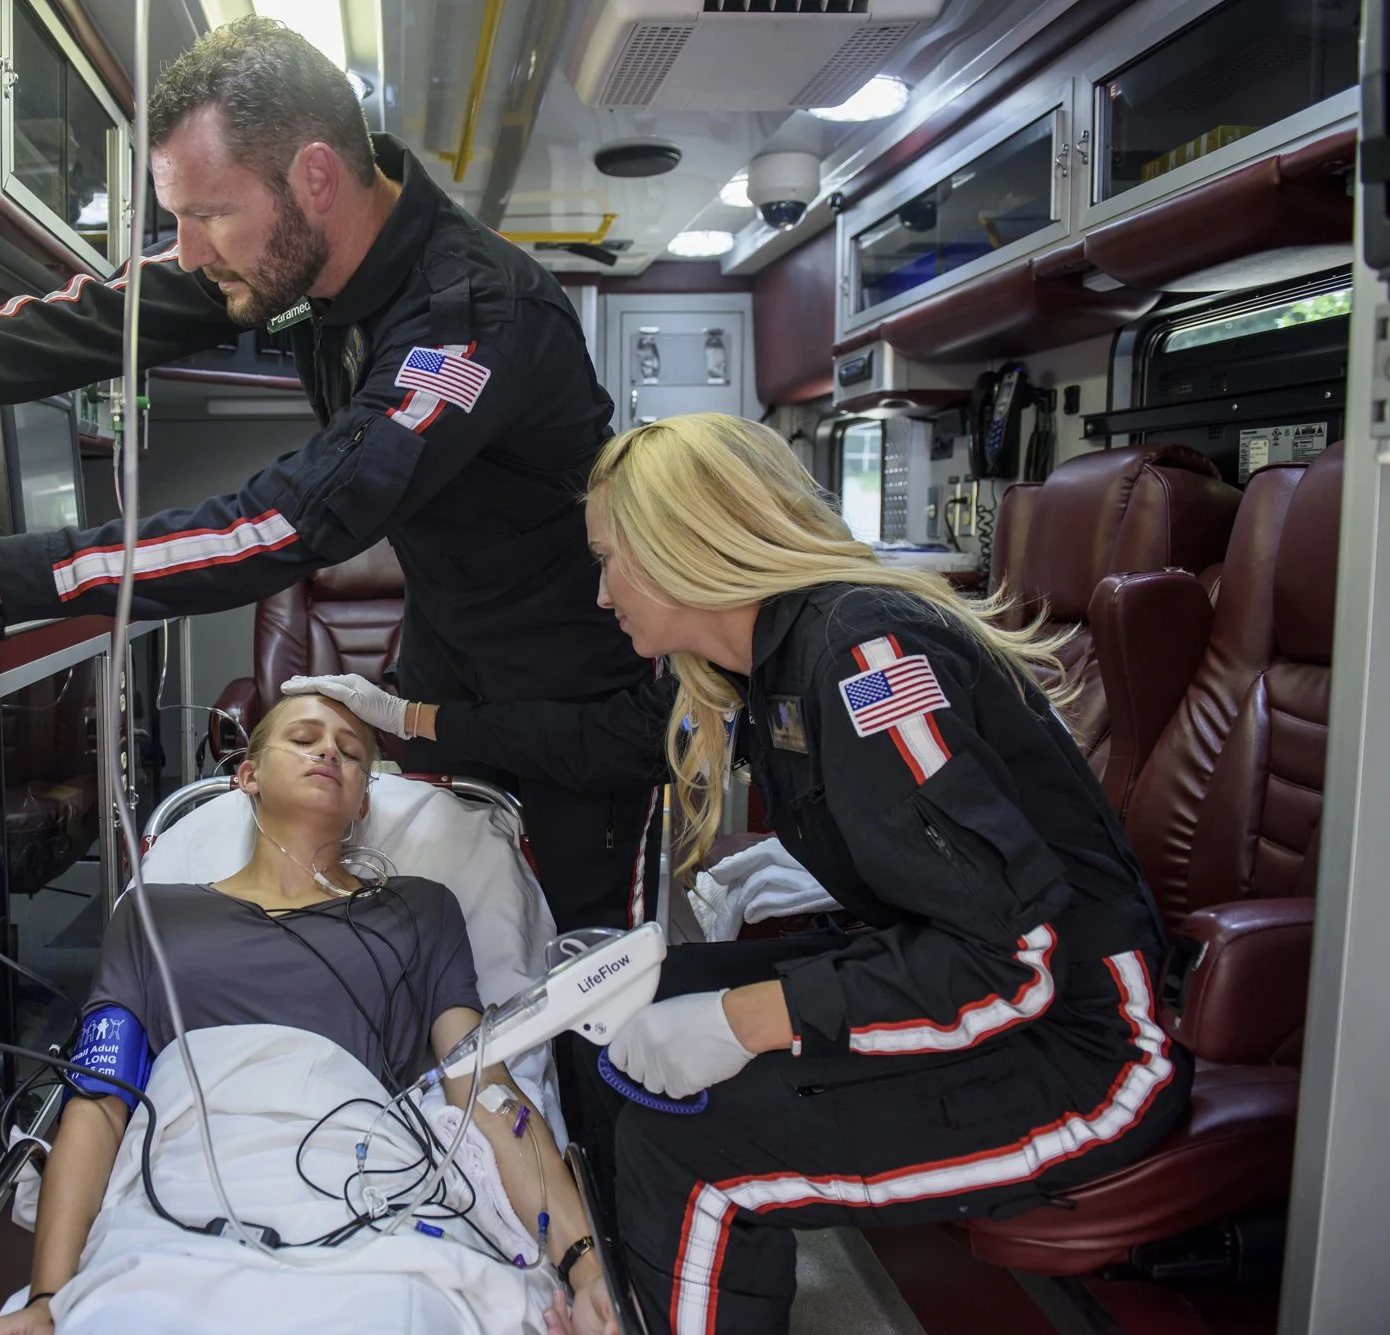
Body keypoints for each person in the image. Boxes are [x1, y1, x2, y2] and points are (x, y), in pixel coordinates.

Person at [0, 16, 659, 937]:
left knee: (569, 996)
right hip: (445, 678)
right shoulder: (298, 259)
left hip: (571, 714)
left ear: (313, 175)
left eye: (206, 214)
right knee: (434, 960)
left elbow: (282, 525)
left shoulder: (470, 318)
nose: (187, 250)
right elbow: (110, 316)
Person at [288, 413, 1193, 1334]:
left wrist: (748, 1018)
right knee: (616, 1031)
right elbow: (592, 742)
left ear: (686, 545)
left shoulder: (863, 654)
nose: (602, 595)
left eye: (612, 560)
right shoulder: (767, 661)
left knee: (699, 1151)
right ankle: (620, 1296)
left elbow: (1015, 961)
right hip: (981, 991)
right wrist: (410, 717)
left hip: (1083, 1047)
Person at [0, 694, 613, 1334]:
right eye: (303, 738)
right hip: (188, 1185)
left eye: (352, 750)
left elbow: (485, 1089)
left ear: (364, 800)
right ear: (247, 776)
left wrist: (586, 1266)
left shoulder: (421, 910)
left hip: (366, 1186)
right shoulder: (153, 915)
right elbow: (98, 1104)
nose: (328, 749)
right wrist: (47, 1298)